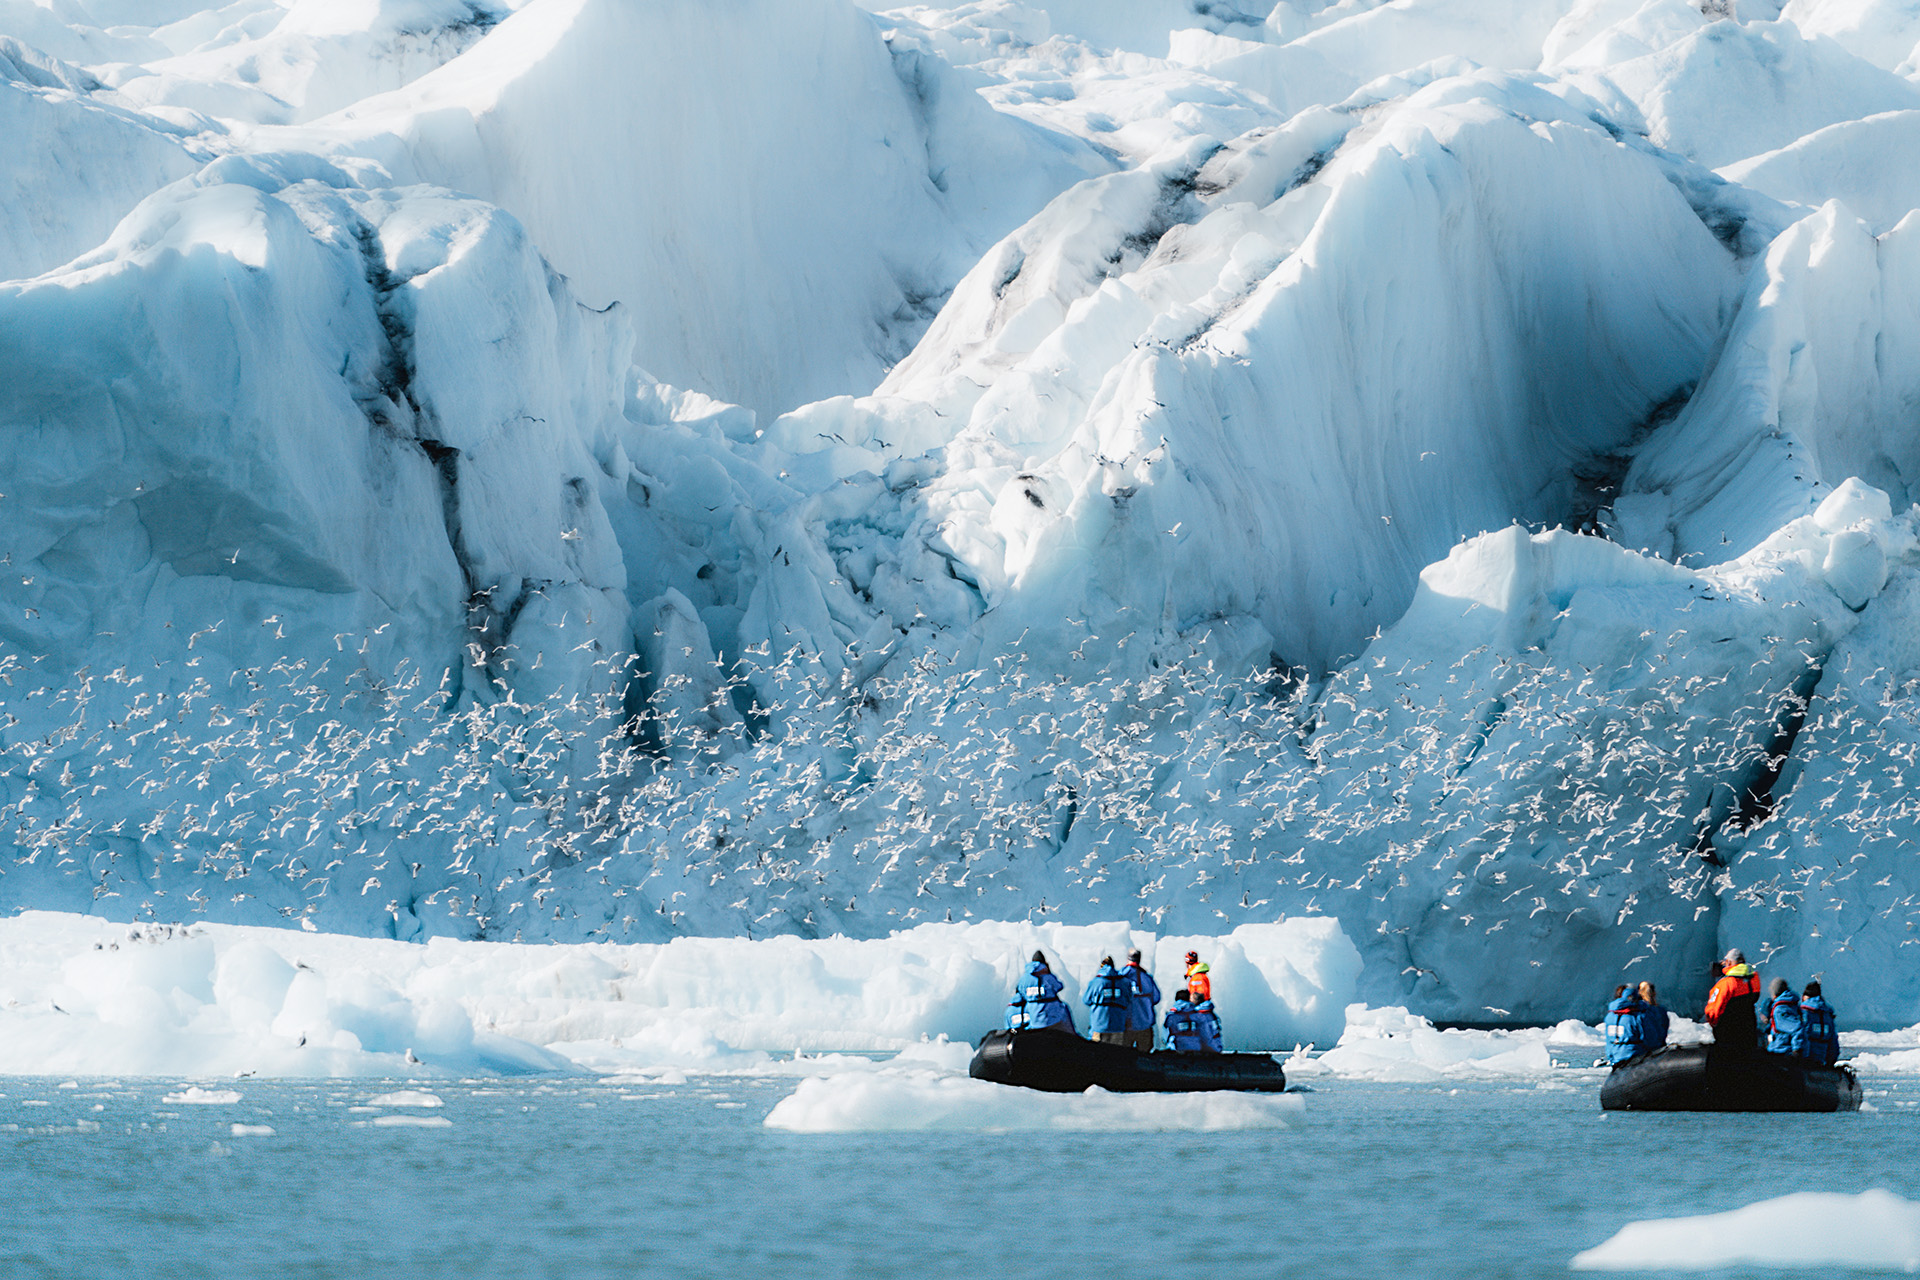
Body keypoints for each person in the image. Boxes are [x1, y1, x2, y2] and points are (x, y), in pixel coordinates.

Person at [1703, 948, 1761, 1053]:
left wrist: (1712, 1022)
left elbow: (1714, 1009)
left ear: (1729, 962)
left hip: (1729, 1032)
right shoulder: (1753, 979)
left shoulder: (1726, 983)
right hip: (1749, 1027)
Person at [1006, 950, 1076, 1034]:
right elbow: (1059, 986)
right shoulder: (1048, 977)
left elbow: (1020, 992)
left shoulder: (1024, 978)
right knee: (1064, 1016)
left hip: (1034, 1015)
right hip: (1052, 1015)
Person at [1083, 955, 1132, 1044]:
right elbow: (1129, 998)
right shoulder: (1124, 982)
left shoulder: (1096, 982)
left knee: (1097, 1054)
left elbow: (1086, 1000)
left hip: (1099, 1024)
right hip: (1118, 1024)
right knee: (1116, 1053)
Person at [1121, 948, 1161, 1052]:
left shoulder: (1120, 976)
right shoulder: (1147, 978)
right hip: (1144, 1023)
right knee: (1144, 1054)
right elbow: (1156, 997)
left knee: (1122, 1055)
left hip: (1125, 1025)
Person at [1165, 989, 1222, 1053]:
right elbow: (1205, 1035)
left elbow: (1165, 1035)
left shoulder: (1172, 1016)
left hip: (1178, 1048)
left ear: (1176, 999)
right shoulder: (1200, 1015)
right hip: (1196, 1047)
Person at [1603, 984, 1648, 1065]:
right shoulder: (1637, 1017)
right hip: (1634, 1057)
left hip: (1615, 1056)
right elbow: (1648, 1039)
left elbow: (1608, 1040)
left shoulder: (1610, 1016)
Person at [1800, 981, 1840, 1067]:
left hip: (1805, 1060)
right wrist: (1831, 1061)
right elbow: (1833, 1041)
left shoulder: (1804, 1012)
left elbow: (1802, 1035)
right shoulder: (1827, 1014)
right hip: (1821, 1060)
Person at [1764, 977, 1806, 1056]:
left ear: (1775, 993)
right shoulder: (1793, 1005)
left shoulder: (1780, 1010)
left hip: (1781, 1051)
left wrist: (1797, 1051)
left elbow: (1797, 1028)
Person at [1636, 981, 1670, 1053]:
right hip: (1659, 1048)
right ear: (1654, 993)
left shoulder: (1639, 1011)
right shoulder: (1661, 1010)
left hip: (1644, 1050)